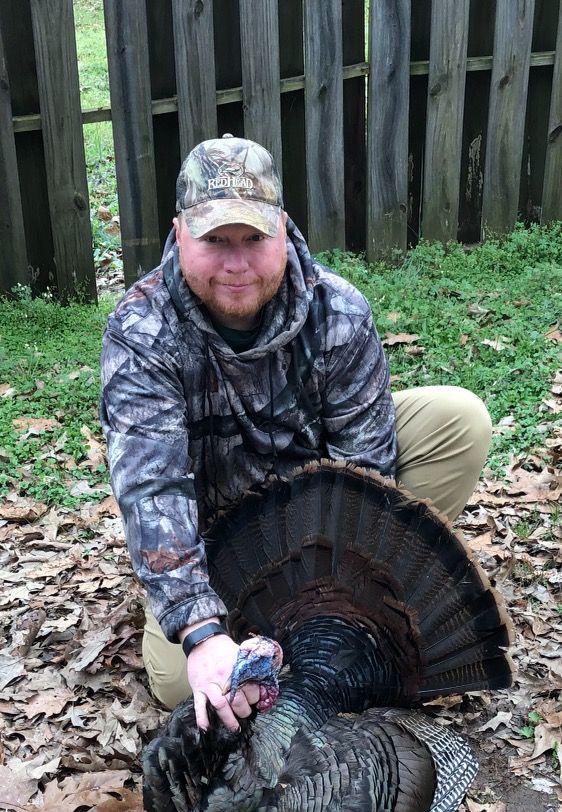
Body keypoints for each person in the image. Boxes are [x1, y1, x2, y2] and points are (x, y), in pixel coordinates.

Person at [100, 134, 491, 731]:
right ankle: (195, 604)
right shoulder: (143, 330)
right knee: (183, 686)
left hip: (327, 519)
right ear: (180, 234)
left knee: (457, 421)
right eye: (214, 241)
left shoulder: (337, 309)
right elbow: (152, 489)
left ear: (282, 228)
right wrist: (201, 629)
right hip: (217, 534)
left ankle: (372, 606)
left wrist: (346, 609)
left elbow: (367, 473)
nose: (236, 264)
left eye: (253, 239)